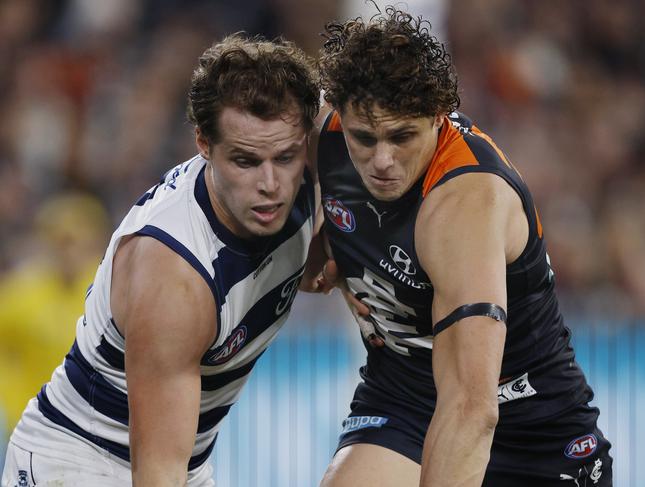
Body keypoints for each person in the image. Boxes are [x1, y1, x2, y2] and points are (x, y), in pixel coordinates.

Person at [312, 7, 613, 486]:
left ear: (438, 117)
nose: (381, 160)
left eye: (402, 136)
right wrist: (320, 251)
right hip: (406, 396)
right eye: (363, 138)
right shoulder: (322, 138)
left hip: (526, 423)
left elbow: (473, 408)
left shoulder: (467, 202)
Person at [2, 34, 319, 487]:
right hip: (82, 461)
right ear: (203, 145)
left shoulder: (311, 168)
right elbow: (158, 473)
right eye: (246, 161)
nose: (271, 184)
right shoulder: (175, 277)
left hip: (183, 456)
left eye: (285, 157)